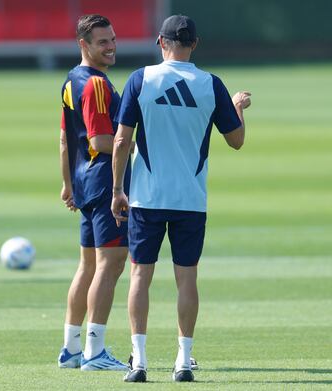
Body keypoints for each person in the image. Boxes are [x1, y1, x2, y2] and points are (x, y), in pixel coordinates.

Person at [111, 14, 251, 383]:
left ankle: (138, 362)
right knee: (187, 279)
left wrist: (116, 190)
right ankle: (183, 361)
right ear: (195, 44)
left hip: (146, 196)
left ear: (161, 42)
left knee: (140, 276)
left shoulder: (141, 79)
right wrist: (237, 106)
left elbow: (122, 140)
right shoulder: (211, 84)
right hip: (190, 198)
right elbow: (236, 141)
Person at [58, 14, 131, 371]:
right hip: (104, 183)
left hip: (85, 183)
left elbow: (65, 137)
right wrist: (134, 141)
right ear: (83, 45)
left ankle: (71, 349)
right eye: (103, 41)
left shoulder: (72, 79)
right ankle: (95, 352)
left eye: (113, 39)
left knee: (88, 265)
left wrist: (68, 183)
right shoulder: (97, 85)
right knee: (112, 263)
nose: (111, 46)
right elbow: (102, 141)